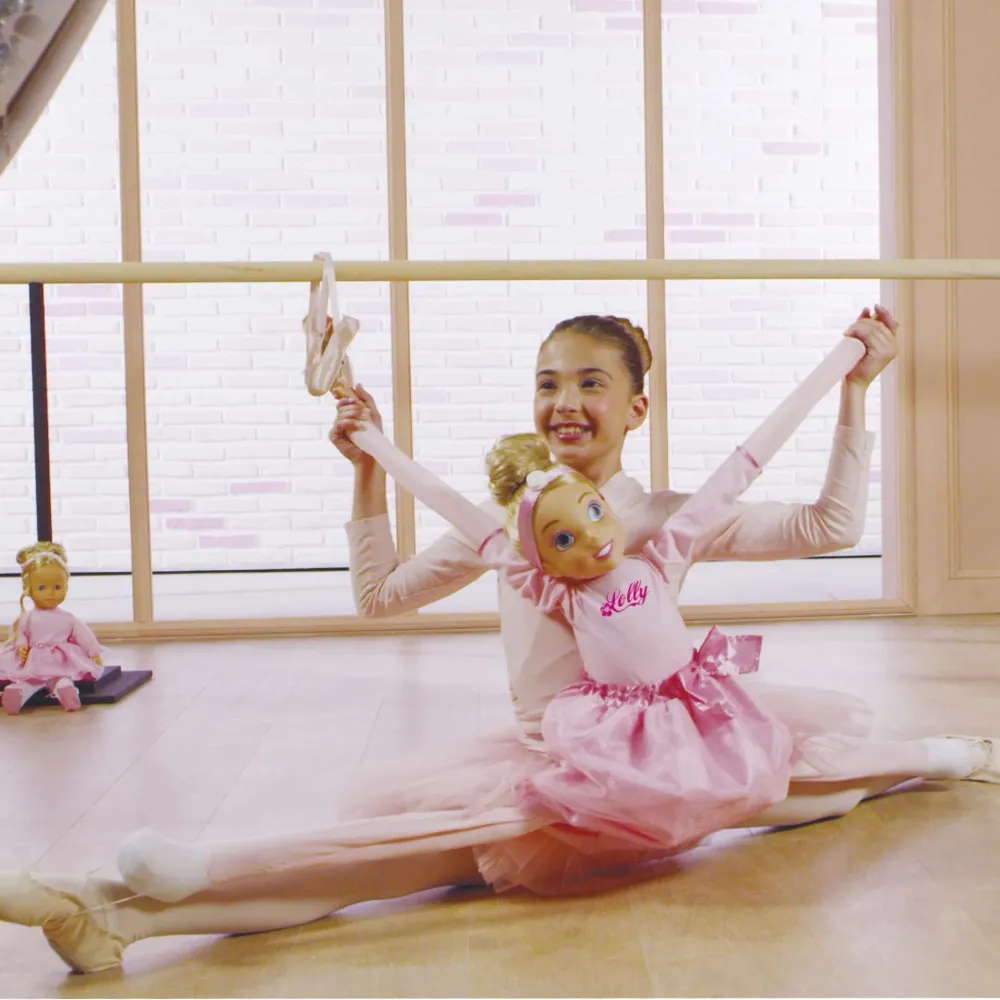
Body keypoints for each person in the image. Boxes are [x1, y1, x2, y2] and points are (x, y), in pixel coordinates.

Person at [0, 309, 995, 975]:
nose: (564, 402)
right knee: (387, 865)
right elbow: (379, 596)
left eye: (590, 383)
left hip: (662, 757)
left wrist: (856, 389)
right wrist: (367, 470)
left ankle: (954, 754)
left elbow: (828, 524)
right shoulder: (511, 532)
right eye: (548, 383)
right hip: (554, 767)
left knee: (822, 780)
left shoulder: (662, 516)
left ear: (636, 407)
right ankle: (109, 913)